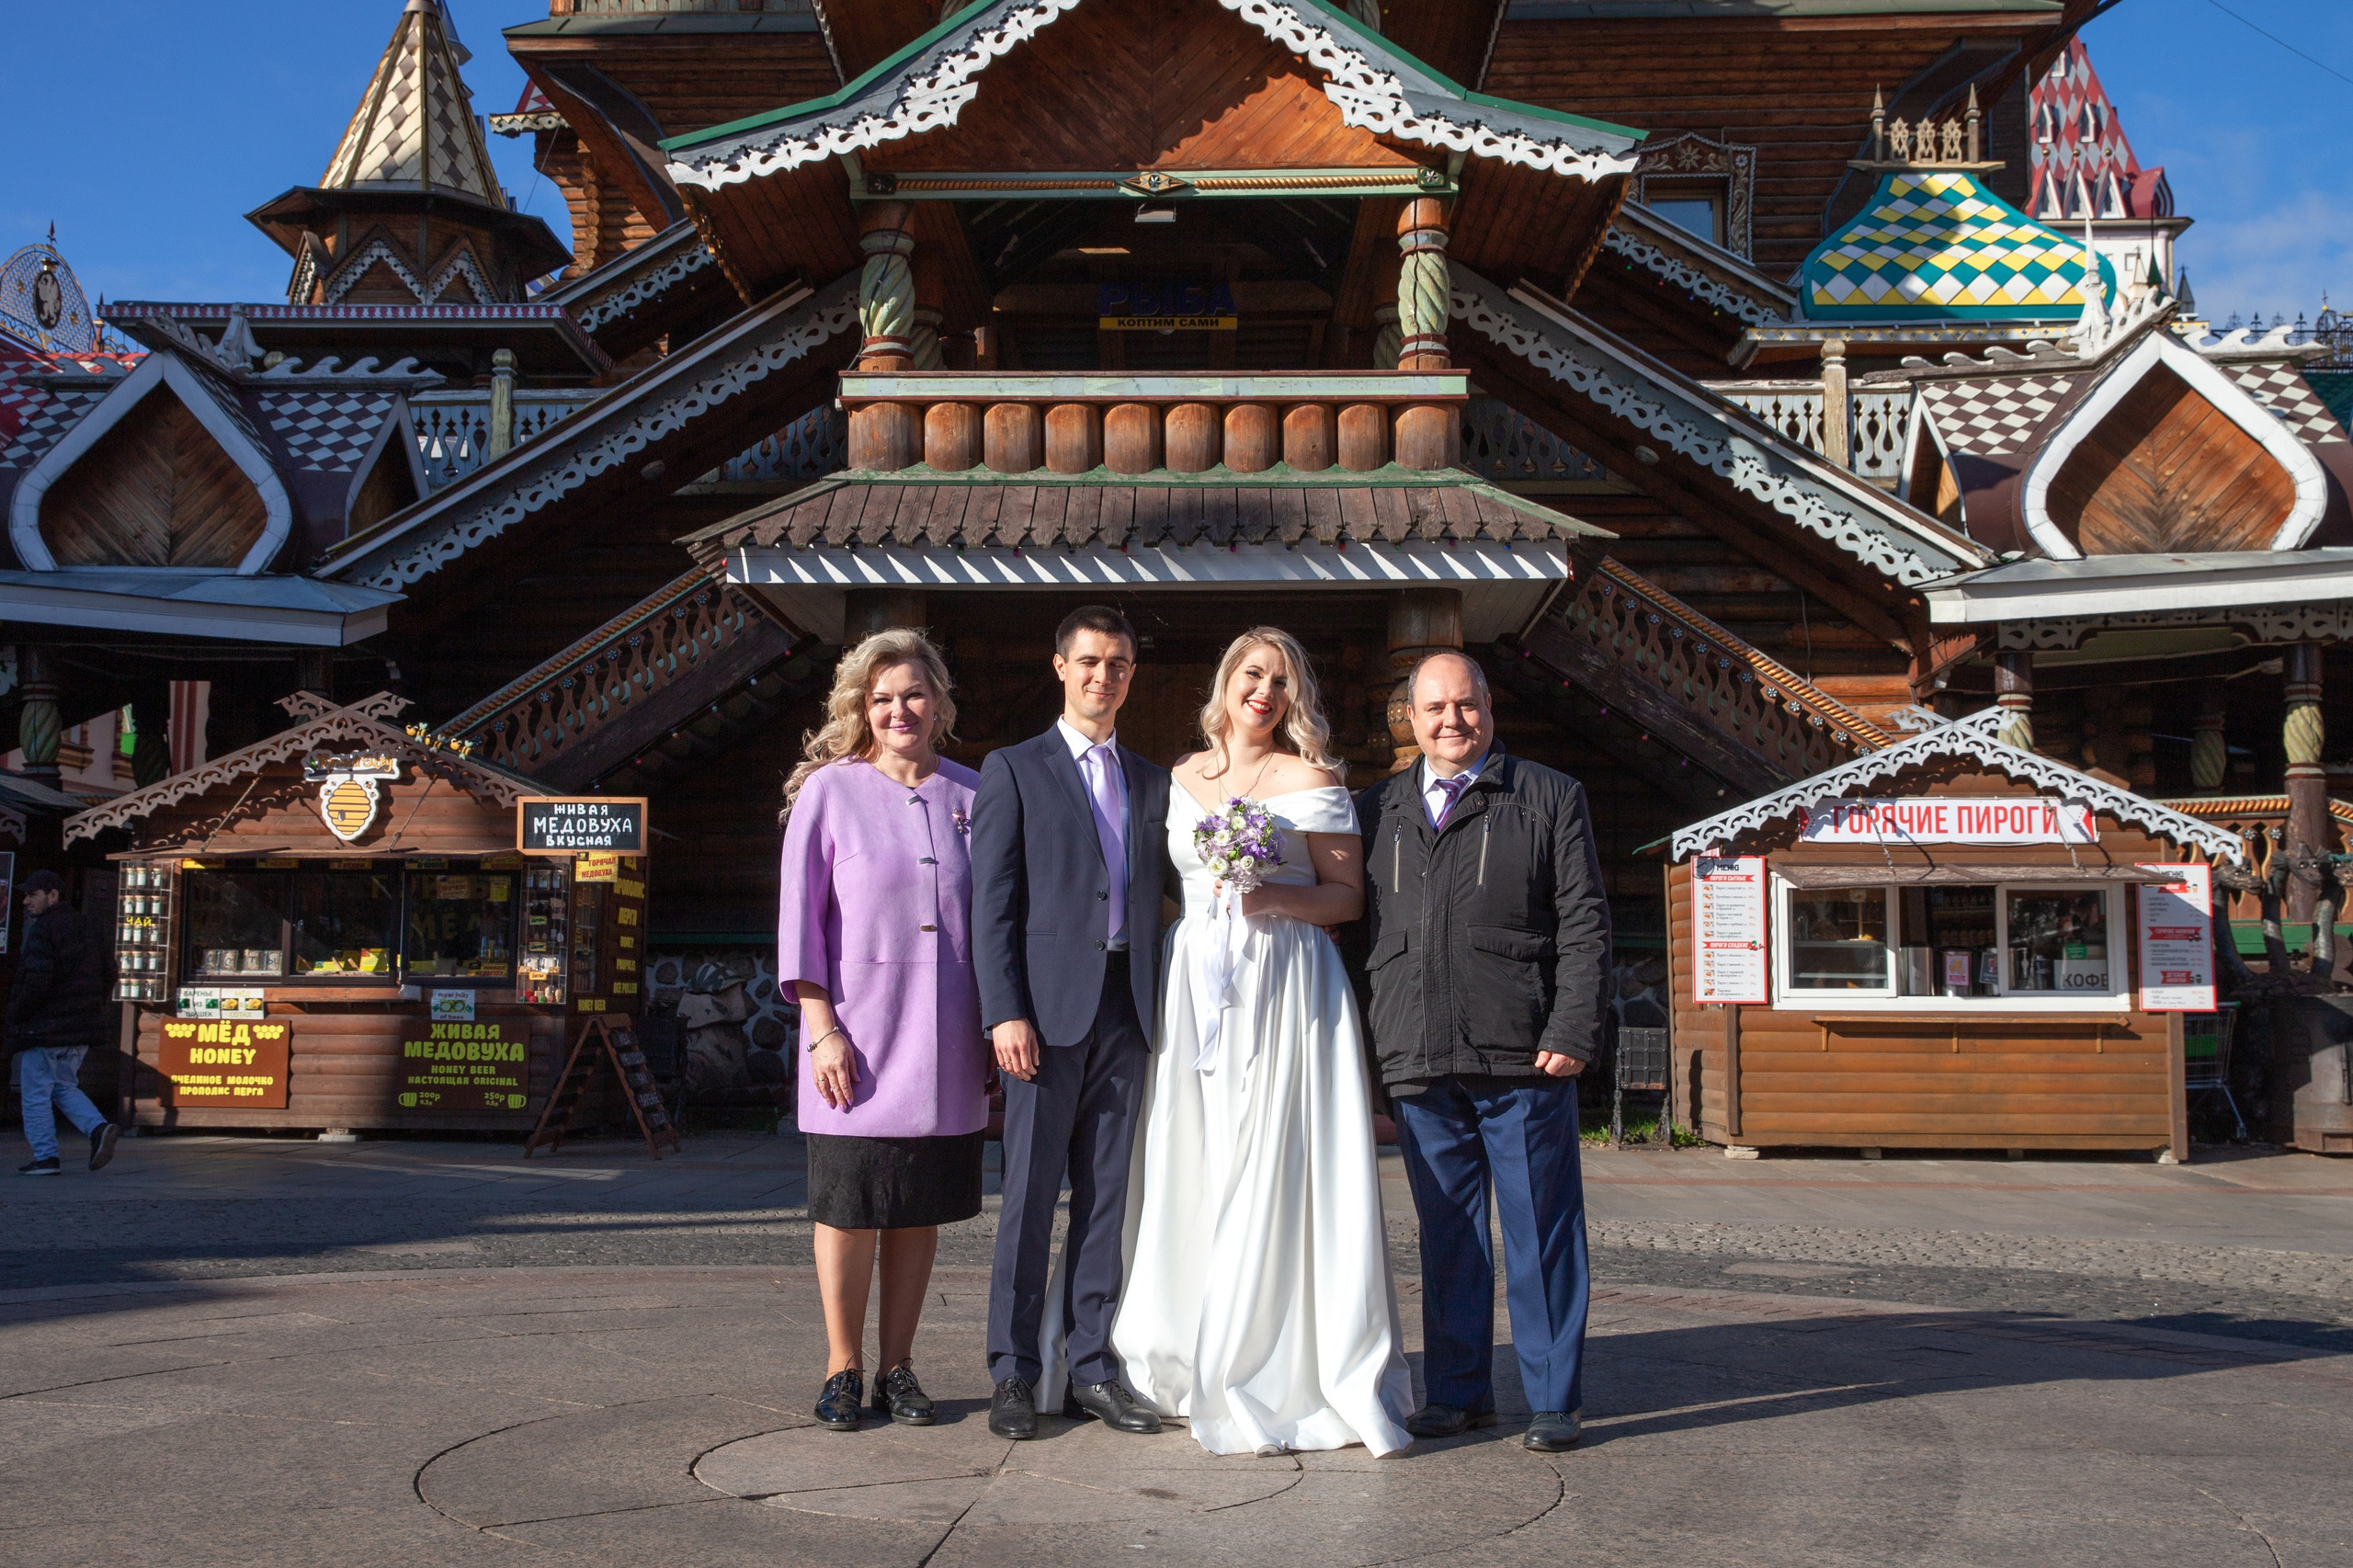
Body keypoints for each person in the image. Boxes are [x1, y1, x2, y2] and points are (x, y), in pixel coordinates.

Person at [1115, 628, 1414, 1457]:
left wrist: (1272, 901)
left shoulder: (1313, 780)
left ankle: (1280, 1361)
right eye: (1253, 673)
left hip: (1284, 984)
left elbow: (1347, 898)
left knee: (1276, 1157)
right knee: (1193, 1154)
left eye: (1282, 681)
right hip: (1195, 985)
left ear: (1295, 699)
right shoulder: (1181, 777)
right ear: (1227, 680)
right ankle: (1183, 1344)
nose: (1265, 692)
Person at [1355, 651, 1611, 1455]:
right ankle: (1459, 1393)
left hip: (1522, 1055)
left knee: (1541, 1231)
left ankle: (1551, 1397)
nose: (1451, 722)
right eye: (1434, 709)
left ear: (1489, 710)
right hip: (1417, 1054)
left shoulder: (1547, 796)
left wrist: (1571, 1030)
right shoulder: (1379, 808)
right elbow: (1355, 933)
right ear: (1412, 719)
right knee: (1448, 1235)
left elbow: (1584, 926)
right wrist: (1368, 1056)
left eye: (1465, 706)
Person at [777, 629, 988, 1432]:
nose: (899, 709)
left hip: (945, 1042)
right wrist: (820, 1027)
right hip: (854, 1042)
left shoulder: (973, 794)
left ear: (937, 701)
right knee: (848, 1204)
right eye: (882, 697)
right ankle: (842, 1366)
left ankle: (898, 1365)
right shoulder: (831, 790)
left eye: (913, 693)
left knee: (914, 1206)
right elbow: (802, 917)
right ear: (862, 708)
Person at [972, 604, 1174, 1441]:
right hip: (1044, 1017)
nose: (1104, 676)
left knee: (1107, 1196)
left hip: (1131, 1004)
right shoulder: (1013, 769)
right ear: (1061, 667)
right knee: (1027, 1197)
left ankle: (1093, 1366)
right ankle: (1014, 1373)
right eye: (1090, 661)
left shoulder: (1155, 781)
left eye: (1119, 664)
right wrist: (1003, 1011)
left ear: (1132, 674)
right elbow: (991, 906)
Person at [12, 869, 119, 1176]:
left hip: (44, 1027)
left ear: (53, 895)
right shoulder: (89, 927)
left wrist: (17, 1015)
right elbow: (109, 971)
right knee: (62, 1085)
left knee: (35, 1094)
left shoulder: (44, 929)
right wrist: (91, 1006)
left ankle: (45, 1157)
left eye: (33, 894)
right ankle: (98, 1128)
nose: (26, 901)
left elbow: (36, 980)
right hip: (81, 1028)